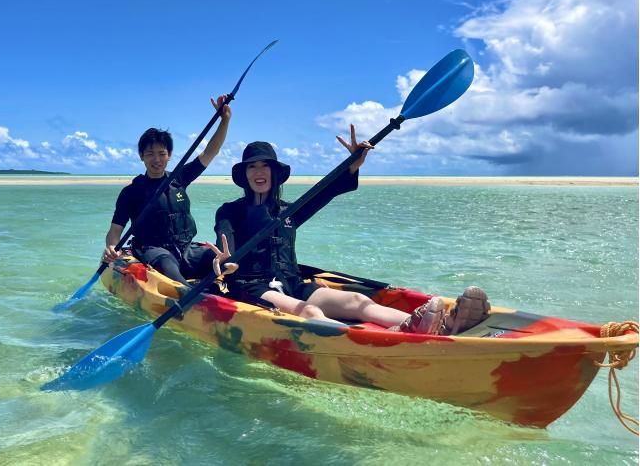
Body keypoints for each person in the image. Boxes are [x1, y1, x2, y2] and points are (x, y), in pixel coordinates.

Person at [208, 126, 490, 335]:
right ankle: (385, 340)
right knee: (309, 312)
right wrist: (224, 261)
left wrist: (354, 163)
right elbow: (225, 241)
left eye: (264, 166)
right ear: (244, 175)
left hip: (292, 283)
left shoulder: (288, 211)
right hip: (251, 287)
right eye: (252, 167)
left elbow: (325, 191)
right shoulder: (230, 210)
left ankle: (443, 326)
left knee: (357, 300)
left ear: (274, 172)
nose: (259, 172)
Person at [102, 94, 231, 286]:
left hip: (185, 248)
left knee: (225, 260)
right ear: (141, 156)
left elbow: (210, 151)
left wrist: (224, 120)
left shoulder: (179, 178)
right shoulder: (131, 192)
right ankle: (191, 297)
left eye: (162, 154)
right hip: (154, 251)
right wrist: (112, 247)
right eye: (150, 154)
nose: (156, 160)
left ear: (169, 155)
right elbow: (115, 230)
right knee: (168, 265)